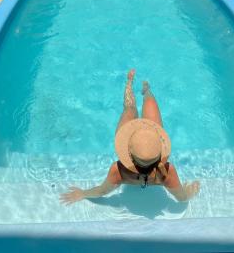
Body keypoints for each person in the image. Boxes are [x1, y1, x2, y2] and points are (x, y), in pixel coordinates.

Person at [60, 69, 200, 205]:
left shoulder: (118, 171)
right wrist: (188, 192)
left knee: (130, 109)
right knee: (150, 102)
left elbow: (102, 191)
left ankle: (129, 81)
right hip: (150, 149)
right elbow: (181, 198)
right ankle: (146, 90)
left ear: (128, 154)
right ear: (160, 152)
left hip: (140, 148)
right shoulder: (168, 173)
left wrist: (83, 193)